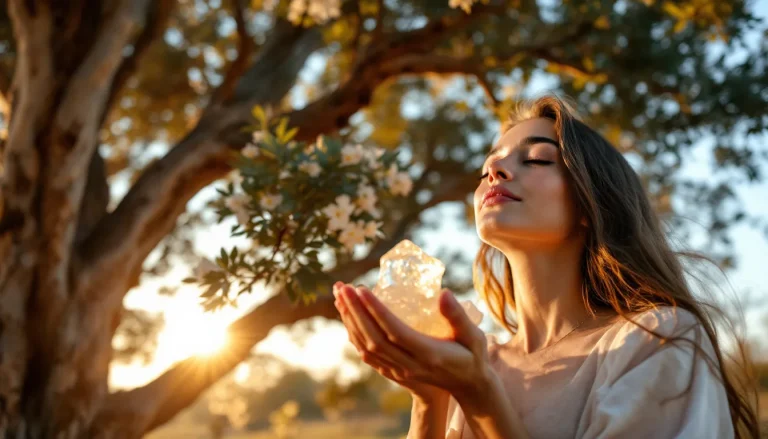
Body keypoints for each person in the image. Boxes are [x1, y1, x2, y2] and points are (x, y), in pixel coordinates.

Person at [332, 95, 761, 438]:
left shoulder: (658, 340)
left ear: (591, 205)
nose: (494, 169)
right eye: (487, 167)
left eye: (535, 159)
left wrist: (480, 396)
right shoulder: (479, 361)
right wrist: (429, 398)